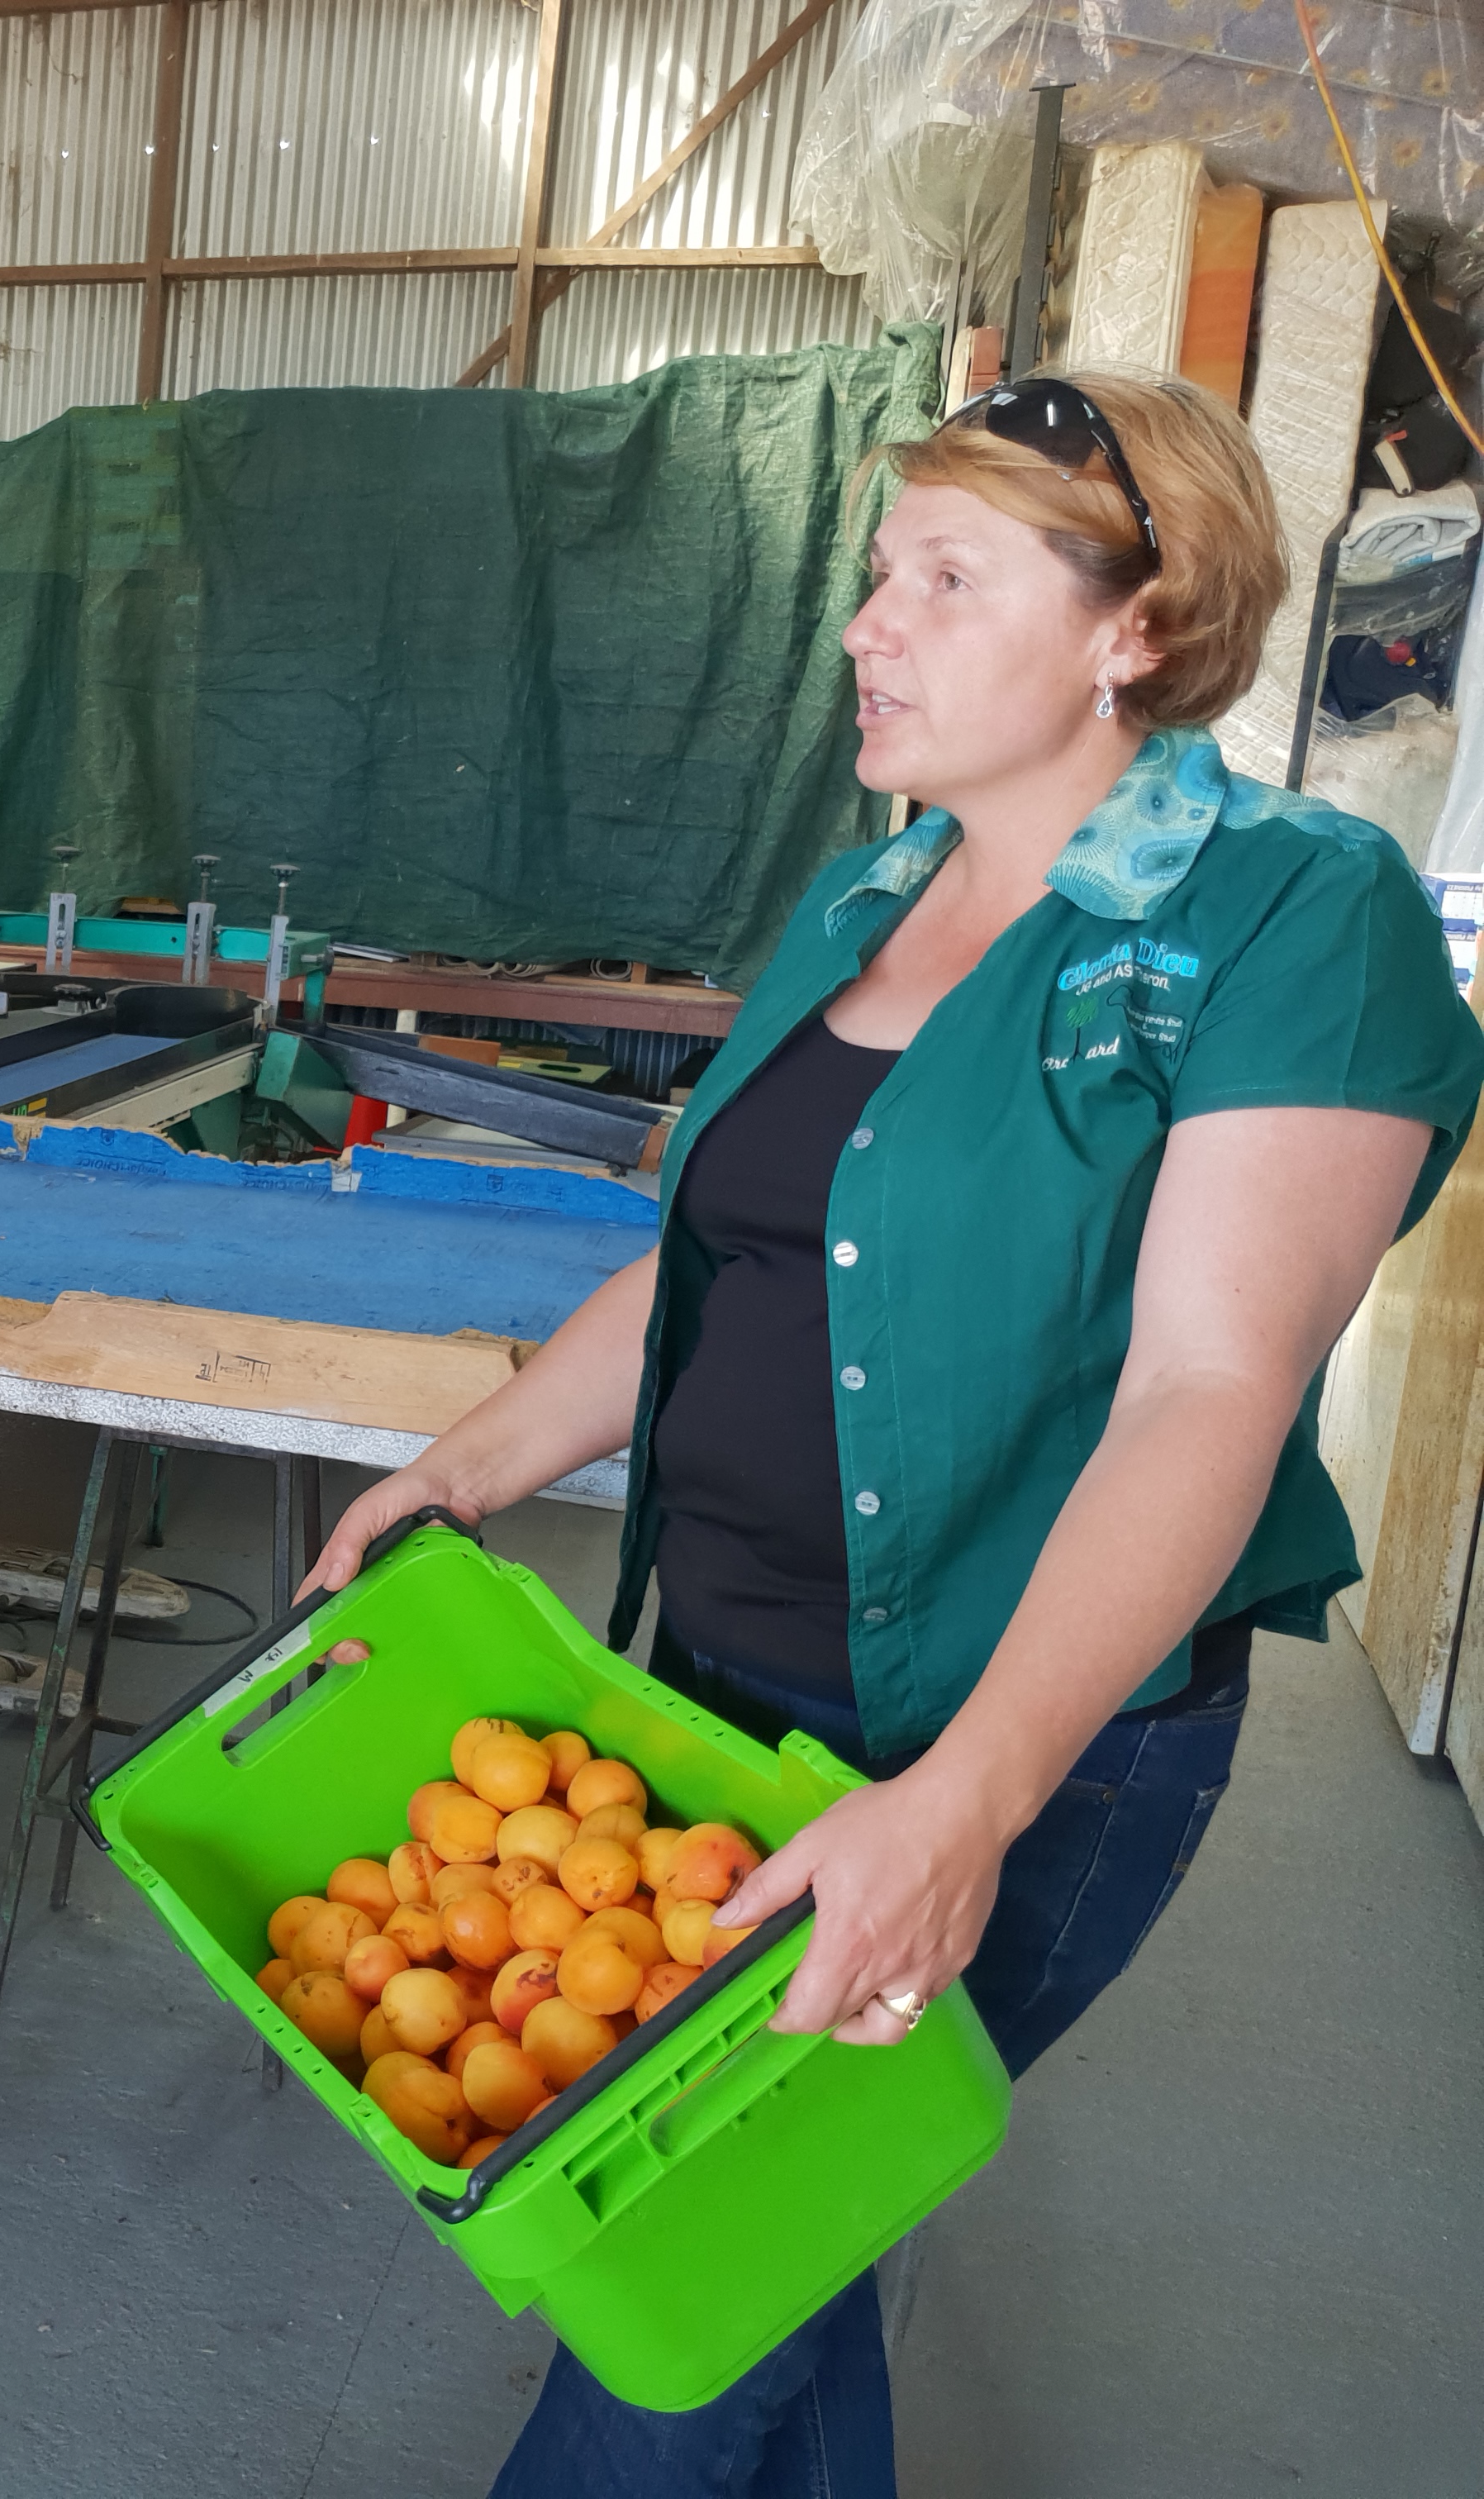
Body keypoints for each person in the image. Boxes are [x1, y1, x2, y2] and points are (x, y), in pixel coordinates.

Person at [297, 372, 1484, 2497]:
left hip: (1020, 1743)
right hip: (724, 1703)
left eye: (944, 576)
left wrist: (966, 1800)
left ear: (1139, 622)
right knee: (786, 2257)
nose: (869, 623)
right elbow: (704, 1267)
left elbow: (1212, 1386)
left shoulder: (1291, 917)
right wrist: (465, 1468)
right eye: (873, 577)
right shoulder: (866, 902)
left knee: (685, 2297)